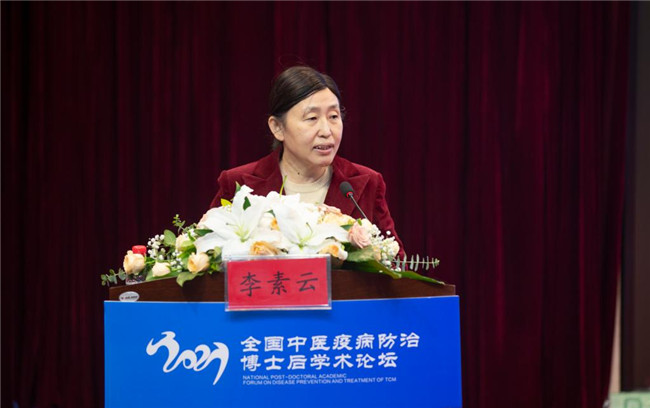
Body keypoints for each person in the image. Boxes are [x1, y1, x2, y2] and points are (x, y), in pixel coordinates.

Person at [209, 65, 405, 254]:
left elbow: (395, 265)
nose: (326, 131)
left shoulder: (368, 183)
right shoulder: (238, 184)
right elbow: (207, 260)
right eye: (312, 118)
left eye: (333, 116)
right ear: (277, 127)